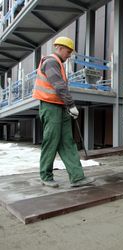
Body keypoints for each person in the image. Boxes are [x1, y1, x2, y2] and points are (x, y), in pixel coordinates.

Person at [33, 36, 95, 188]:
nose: (69, 55)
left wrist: (67, 106)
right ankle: (46, 176)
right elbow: (59, 86)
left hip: (60, 107)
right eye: (68, 52)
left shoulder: (58, 64)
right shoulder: (51, 62)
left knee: (67, 142)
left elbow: (61, 88)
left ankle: (77, 177)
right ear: (59, 48)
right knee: (51, 141)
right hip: (50, 107)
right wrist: (71, 105)